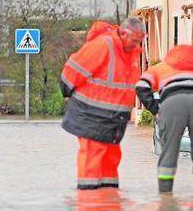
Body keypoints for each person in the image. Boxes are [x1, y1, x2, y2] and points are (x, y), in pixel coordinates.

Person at [60, 18, 145, 190]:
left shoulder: (131, 54)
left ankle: (109, 200)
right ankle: (89, 201)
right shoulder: (102, 46)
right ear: (123, 33)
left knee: (111, 156)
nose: (136, 45)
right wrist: (66, 93)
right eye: (134, 41)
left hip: (114, 118)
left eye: (139, 42)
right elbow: (72, 71)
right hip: (91, 114)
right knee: (92, 153)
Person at [135, 45, 193, 193]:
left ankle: (166, 196)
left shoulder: (160, 67)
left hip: (172, 102)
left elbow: (141, 86)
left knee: (169, 150)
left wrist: (156, 109)